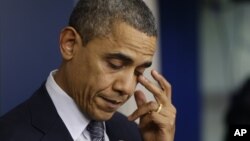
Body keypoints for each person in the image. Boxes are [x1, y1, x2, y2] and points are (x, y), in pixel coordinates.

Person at [0, 0, 176, 141]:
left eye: (139, 72)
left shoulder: (133, 133)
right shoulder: (10, 135)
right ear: (70, 44)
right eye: (115, 64)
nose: (128, 88)